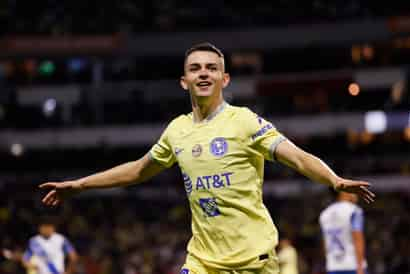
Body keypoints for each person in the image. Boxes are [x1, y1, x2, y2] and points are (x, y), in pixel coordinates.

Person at [39, 42, 375, 274]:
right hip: (203, 260)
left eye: (212, 68)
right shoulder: (176, 131)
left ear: (224, 79)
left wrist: (334, 179)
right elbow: (138, 170)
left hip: (252, 260)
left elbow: (297, 157)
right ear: (183, 81)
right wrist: (80, 185)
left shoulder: (244, 121)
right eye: (195, 68)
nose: (204, 73)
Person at [5, 216, 79, 274]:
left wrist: (68, 271)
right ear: (39, 228)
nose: (46, 229)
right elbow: (26, 258)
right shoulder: (34, 241)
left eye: (48, 226)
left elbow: (73, 257)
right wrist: (29, 265)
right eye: (43, 226)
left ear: (53, 228)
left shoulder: (61, 239)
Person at [319, 190, 368, 274]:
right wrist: (360, 267)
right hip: (352, 265)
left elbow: (325, 244)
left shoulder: (324, 214)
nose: (356, 194)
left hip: (333, 266)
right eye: (353, 190)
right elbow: (357, 239)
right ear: (344, 192)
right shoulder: (354, 210)